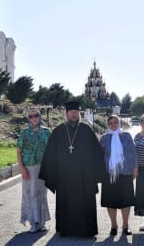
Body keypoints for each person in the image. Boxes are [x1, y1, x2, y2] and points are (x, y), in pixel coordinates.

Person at [39, 101, 106, 238]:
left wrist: (96, 174)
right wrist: (52, 173)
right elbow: (50, 154)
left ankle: (87, 231)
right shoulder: (58, 131)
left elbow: (96, 152)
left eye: (76, 113)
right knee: (66, 203)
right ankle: (65, 230)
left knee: (85, 203)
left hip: (85, 176)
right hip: (64, 177)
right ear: (66, 114)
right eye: (71, 113)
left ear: (78, 114)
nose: (73, 115)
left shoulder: (86, 130)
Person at [99, 115, 138, 236]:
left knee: (125, 201)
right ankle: (114, 226)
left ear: (119, 123)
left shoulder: (126, 136)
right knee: (111, 201)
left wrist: (135, 168)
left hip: (126, 173)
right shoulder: (104, 138)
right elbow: (99, 156)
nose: (113, 124)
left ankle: (125, 225)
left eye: (116, 122)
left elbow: (134, 152)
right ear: (108, 125)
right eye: (111, 123)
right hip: (109, 174)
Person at [17, 107, 51, 232]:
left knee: (41, 194)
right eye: (31, 116)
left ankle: (41, 223)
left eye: (35, 115)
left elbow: (52, 151)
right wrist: (21, 168)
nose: (34, 118)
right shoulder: (24, 133)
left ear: (39, 116)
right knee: (29, 194)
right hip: (28, 167)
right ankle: (32, 221)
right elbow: (19, 151)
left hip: (43, 167)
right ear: (28, 119)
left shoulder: (46, 132)